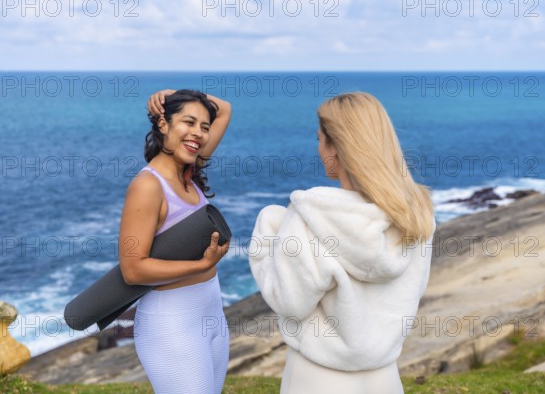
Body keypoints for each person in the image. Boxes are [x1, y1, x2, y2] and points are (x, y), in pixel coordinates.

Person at [249, 92, 436, 394]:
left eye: (320, 139)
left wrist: (268, 231)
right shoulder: (417, 216)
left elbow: (289, 302)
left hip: (317, 378)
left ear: (337, 147)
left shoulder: (312, 217)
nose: (318, 148)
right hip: (384, 377)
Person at [118, 89, 232, 394]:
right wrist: (202, 264)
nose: (198, 133)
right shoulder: (147, 186)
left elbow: (226, 109)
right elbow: (133, 269)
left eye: (204, 127)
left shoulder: (189, 171)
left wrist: (170, 93)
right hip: (172, 323)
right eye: (188, 122)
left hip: (211, 312)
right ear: (163, 124)